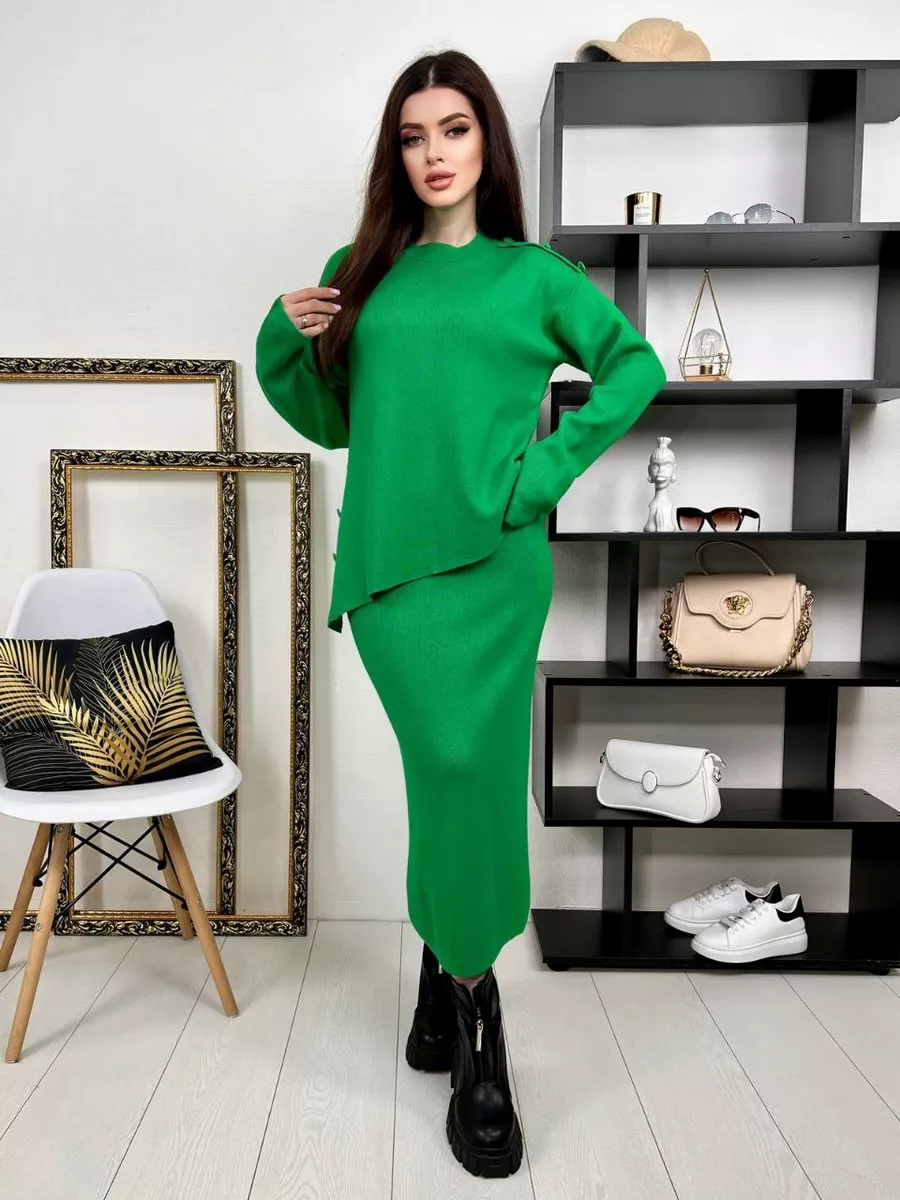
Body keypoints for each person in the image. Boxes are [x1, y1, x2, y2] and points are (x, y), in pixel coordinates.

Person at [255, 48, 665, 1179]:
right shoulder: (363, 272)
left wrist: (542, 473)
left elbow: (634, 367)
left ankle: (467, 1006)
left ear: (487, 140)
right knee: (449, 769)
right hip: (394, 576)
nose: (434, 154)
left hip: (498, 569)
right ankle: (463, 974)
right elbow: (335, 420)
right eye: (413, 135)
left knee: (465, 780)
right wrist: (287, 335)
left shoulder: (532, 276)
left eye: (455, 129)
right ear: (396, 154)